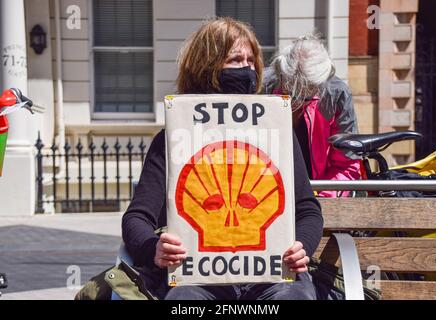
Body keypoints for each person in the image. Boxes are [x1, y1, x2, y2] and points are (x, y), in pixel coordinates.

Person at [122, 17, 323, 300]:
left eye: (251, 61)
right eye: (234, 60)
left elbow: (307, 210)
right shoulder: (170, 140)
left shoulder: (279, 135)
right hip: (198, 280)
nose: (246, 69)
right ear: (207, 67)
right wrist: (152, 247)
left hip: (274, 278)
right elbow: (137, 217)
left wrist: (302, 245)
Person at [264, 34, 361, 197]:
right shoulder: (264, 87)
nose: (297, 101)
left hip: (317, 191)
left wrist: (321, 198)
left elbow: (347, 164)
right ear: (282, 73)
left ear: (320, 83)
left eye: (306, 94)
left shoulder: (336, 93)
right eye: (290, 91)